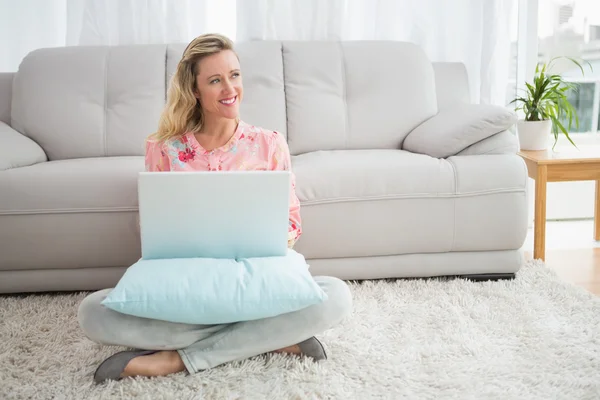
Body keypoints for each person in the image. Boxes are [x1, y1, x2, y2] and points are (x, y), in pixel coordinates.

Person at [77, 33, 353, 384]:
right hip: (189, 283)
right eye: (215, 80)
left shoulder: (269, 144)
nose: (230, 88)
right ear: (195, 91)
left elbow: (292, 224)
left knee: (336, 296)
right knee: (93, 313)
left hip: (250, 280)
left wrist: (266, 238)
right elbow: (155, 230)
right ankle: (265, 338)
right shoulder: (164, 149)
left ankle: (177, 360)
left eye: (234, 75)